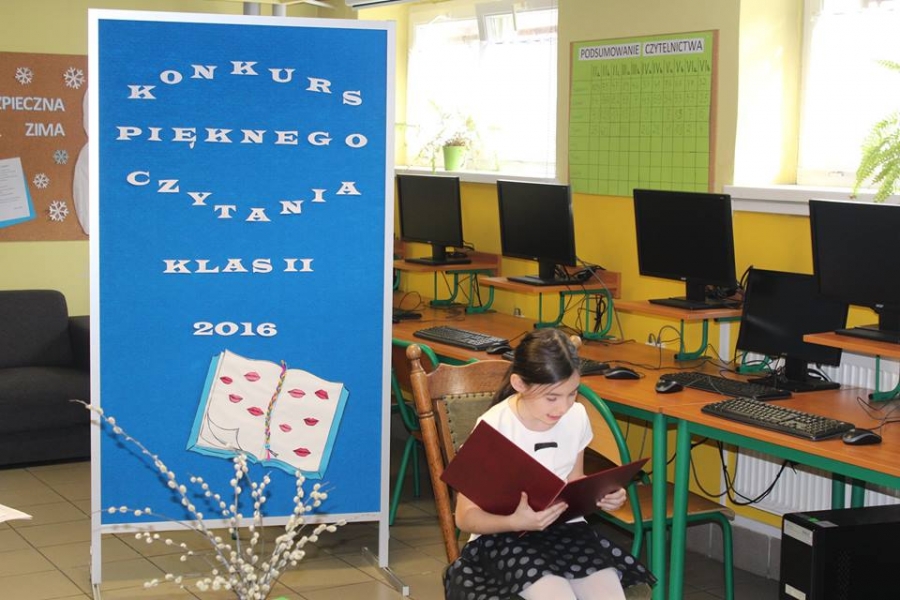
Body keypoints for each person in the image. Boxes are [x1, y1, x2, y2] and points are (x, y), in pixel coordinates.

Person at [444, 328, 656, 600]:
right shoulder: (494, 427)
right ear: (519, 384)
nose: (563, 407)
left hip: (564, 530)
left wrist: (603, 494)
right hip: (503, 537)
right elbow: (464, 517)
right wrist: (515, 521)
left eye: (572, 394)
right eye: (552, 397)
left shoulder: (576, 416)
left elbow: (573, 480)